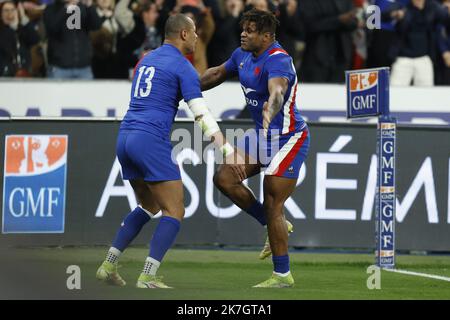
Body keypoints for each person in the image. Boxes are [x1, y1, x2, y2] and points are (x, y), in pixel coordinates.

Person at [96, 13, 245, 288]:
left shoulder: (147, 59)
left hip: (126, 136)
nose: (198, 37)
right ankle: (148, 275)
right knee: (175, 210)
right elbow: (200, 113)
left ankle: (108, 265)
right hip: (150, 139)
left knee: (149, 204)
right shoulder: (183, 67)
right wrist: (226, 149)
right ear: (185, 34)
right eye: (195, 32)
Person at [200, 8, 310, 288]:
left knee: (274, 200)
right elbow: (216, 73)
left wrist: (270, 109)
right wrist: (184, 88)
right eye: (243, 28)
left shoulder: (279, 59)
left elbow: (277, 90)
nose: (244, 34)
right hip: (262, 136)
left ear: (267, 36)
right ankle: (272, 223)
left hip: (288, 138)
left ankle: (282, 275)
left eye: (250, 30)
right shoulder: (241, 55)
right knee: (224, 178)